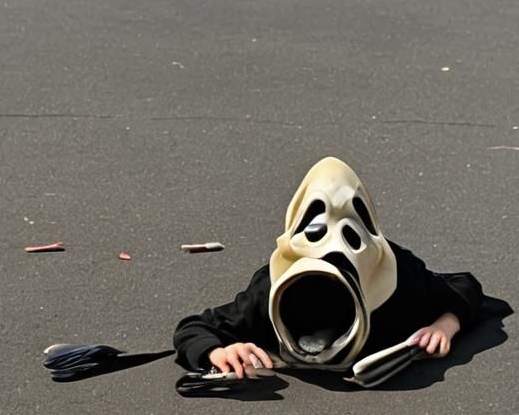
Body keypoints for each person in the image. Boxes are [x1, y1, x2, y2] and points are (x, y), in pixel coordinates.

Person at [174, 157, 485, 379]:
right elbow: (195, 328)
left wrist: (445, 324)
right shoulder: (270, 287)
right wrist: (217, 353)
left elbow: (463, 285)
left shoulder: (396, 277)